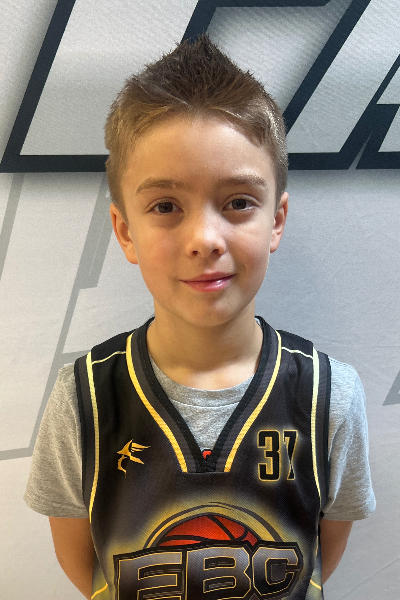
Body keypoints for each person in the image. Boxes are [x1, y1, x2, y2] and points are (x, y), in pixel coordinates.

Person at [24, 34, 375, 600]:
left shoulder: (330, 396)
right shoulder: (83, 398)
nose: (205, 239)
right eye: (166, 206)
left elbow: (317, 562)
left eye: (238, 202)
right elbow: (83, 566)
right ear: (125, 231)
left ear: (276, 219)